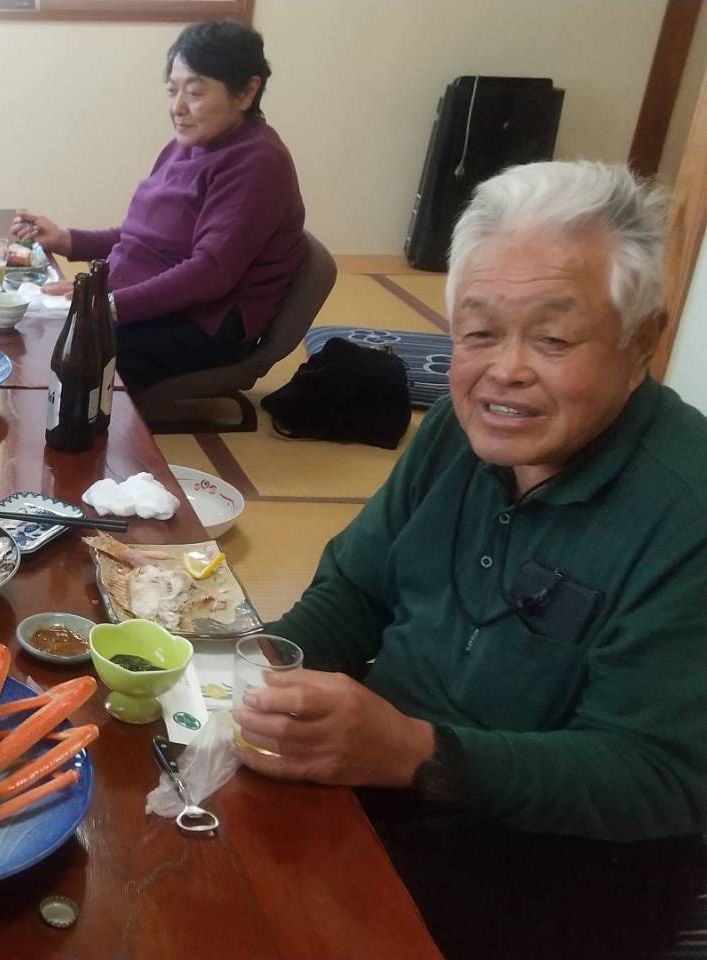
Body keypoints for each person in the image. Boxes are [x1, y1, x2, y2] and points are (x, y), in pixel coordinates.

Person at [233, 161, 707, 959]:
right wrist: (252, 673)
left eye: (552, 339)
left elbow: (653, 773)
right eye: (479, 332)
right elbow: (356, 589)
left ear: (640, 343)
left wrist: (414, 752)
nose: (505, 371)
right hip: (397, 779)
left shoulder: (686, 509)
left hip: (568, 863)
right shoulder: (463, 429)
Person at [12, 19, 305, 393]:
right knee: (27, 327)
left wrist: (106, 306)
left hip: (200, 325)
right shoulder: (189, 143)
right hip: (144, 303)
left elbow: (210, 271)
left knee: (59, 352)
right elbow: (144, 236)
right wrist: (67, 240)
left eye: (194, 93)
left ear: (247, 92)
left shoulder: (257, 162)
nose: (177, 108)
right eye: (172, 91)